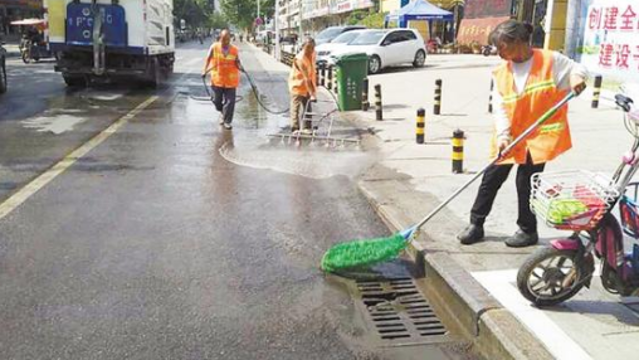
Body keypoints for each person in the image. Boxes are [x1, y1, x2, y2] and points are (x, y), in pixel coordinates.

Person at [457, 20, 588, 248]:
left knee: (525, 183)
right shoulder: (501, 72)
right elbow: (500, 107)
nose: (499, 53)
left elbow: (578, 68)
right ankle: (475, 224)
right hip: (510, 136)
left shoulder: (549, 60)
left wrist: (577, 79)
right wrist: (503, 136)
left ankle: (528, 230)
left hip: (538, 137)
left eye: (502, 47)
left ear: (518, 42)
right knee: (491, 178)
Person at [202, 29, 241, 130]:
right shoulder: (214, 47)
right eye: (224, 40)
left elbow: (238, 62)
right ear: (220, 38)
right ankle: (223, 112)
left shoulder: (234, 50)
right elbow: (208, 58)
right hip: (217, 80)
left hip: (230, 81)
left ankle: (227, 121)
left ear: (230, 39)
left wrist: (241, 67)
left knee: (230, 102)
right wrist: (204, 70)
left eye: (227, 40)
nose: (226, 42)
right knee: (216, 101)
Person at [288, 38, 317, 133]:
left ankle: (307, 127)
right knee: (295, 107)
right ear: (303, 47)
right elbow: (306, 77)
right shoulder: (300, 58)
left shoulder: (313, 54)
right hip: (297, 84)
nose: (310, 50)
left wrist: (316, 82)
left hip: (307, 85)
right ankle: (295, 128)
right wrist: (312, 94)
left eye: (312, 47)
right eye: (308, 47)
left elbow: (313, 68)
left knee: (307, 106)